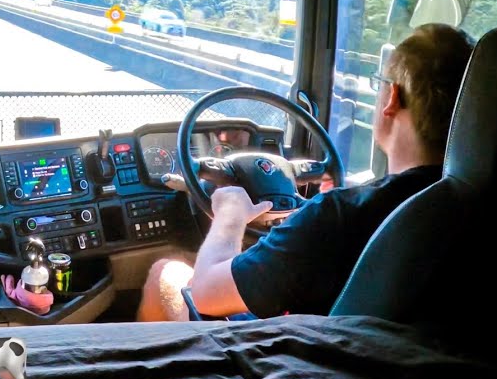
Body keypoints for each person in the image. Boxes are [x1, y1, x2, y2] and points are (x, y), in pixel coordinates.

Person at [138, 23, 475, 322]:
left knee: (165, 273)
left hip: (315, 364)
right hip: (424, 372)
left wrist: (230, 215)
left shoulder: (338, 217)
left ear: (392, 98)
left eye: (380, 84)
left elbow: (206, 294)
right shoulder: (493, 205)